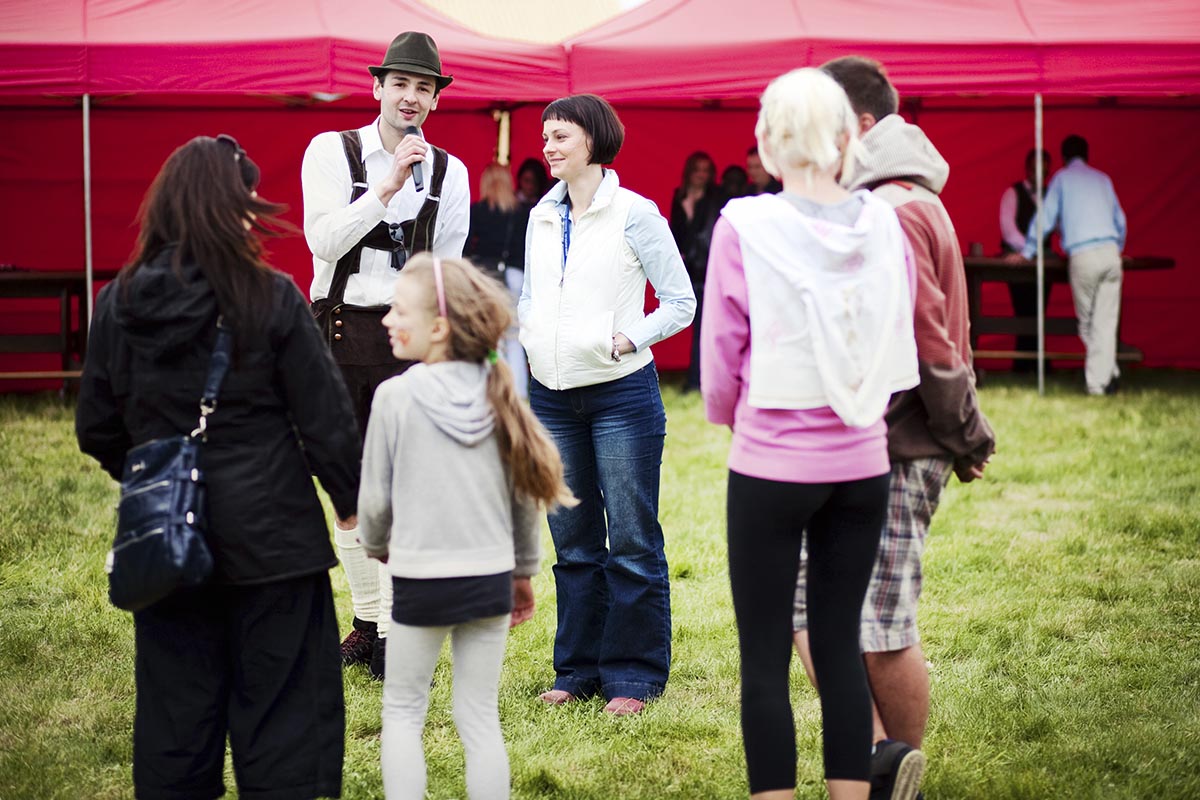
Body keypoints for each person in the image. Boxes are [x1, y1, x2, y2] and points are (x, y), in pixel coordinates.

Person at [76, 134, 361, 800]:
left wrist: (159, 477)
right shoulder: (271, 295)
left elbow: (96, 428)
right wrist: (355, 506)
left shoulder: (119, 302)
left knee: (176, 726)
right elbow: (326, 420)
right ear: (234, 207)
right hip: (276, 543)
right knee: (286, 730)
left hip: (167, 543)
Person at [703, 68, 919, 800]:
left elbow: (722, 353)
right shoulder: (884, 221)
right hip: (861, 460)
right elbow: (896, 337)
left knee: (765, 656)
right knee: (838, 641)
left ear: (768, 140)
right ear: (848, 137)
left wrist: (733, 418)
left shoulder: (744, 225)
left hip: (770, 461)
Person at [791, 55, 997, 800]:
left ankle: (892, 766)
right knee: (811, 607)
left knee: (879, 625)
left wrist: (964, 433)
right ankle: (882, 758)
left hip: (899, 443)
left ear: (863, 124)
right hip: (869, 442)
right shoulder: (893, 200)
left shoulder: (895, 209)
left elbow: (929, 338)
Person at [358, 254, 574, 800]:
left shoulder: (394, 397)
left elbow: (375, 505)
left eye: (398, 310)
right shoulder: (501, 393)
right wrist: (523, 573)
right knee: (478, 715)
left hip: (418, 580)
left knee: (403, 711)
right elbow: (524, 500)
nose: (386, 319)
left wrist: (379, 547)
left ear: (438, 328)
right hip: (489, 580)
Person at [301, 30, 471, 679]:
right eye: (399, 83)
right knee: (347, 489)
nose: (410, 97)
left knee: (404, 491)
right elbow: (323, 243)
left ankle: (398, 633)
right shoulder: (332, 151)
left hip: (410, 339)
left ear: (435, 100)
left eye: (423, 87)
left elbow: (445, 271)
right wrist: (387, 186)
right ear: (377, 87)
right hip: (340, 331)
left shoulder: (450, 172)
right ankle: (367, 621)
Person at [520, 93, 696, 715]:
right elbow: (532, 297)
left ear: (593, 141)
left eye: (560, 136)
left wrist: (627, 339)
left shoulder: (636, 213)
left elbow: (680, 301)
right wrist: (531, 338)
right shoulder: (540, 216)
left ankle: (634, 676)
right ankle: (576, 671)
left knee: (631, 539)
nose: (547, 146)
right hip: (550, 397)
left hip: (621, 395)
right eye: (545, 135)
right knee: (572, 542)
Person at [1011, 135, 1127, 395]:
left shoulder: (1061, 179)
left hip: (1083, 254)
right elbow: (1120, 220)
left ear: (1063, 158)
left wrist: (1028, 251)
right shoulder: (1103, 179)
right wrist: (1118, 247)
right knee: (1106, 321)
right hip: (1110, 253)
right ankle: (1109, 373)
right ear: (1087, 154)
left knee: (1087, 324)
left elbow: (1045, 218)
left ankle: (1097, 385)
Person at [466, 163, 532, 398]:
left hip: (487, 278)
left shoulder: (477, 211)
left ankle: (497, 392)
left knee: (492, 338)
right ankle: (519, 394)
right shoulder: (523, 212)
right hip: (517, 276)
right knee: (515, 339)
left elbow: (466, 248)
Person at [669, 151, 722, 392]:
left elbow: (707, 237)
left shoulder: (714, 199)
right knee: (690, 323)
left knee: (703, 327)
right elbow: (676, 232)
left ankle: (696, 380)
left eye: (705, 170)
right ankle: (696, 378)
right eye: (697, 169)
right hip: (685, 269)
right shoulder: (679, 196)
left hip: (706, 269)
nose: (701, 175)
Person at [999, 148, 1053, 372]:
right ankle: (1022, 363)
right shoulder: (1012, 193)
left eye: (1044, 171)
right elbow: (1008, 230)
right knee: (1023, 310)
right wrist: (1029, 250)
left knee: (1039, 311)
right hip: (1018, 263)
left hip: (1043, 261)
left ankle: (1037, 362)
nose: (1038, 175)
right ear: (1028, 169)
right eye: (1034, 170)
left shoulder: (1051, 194)